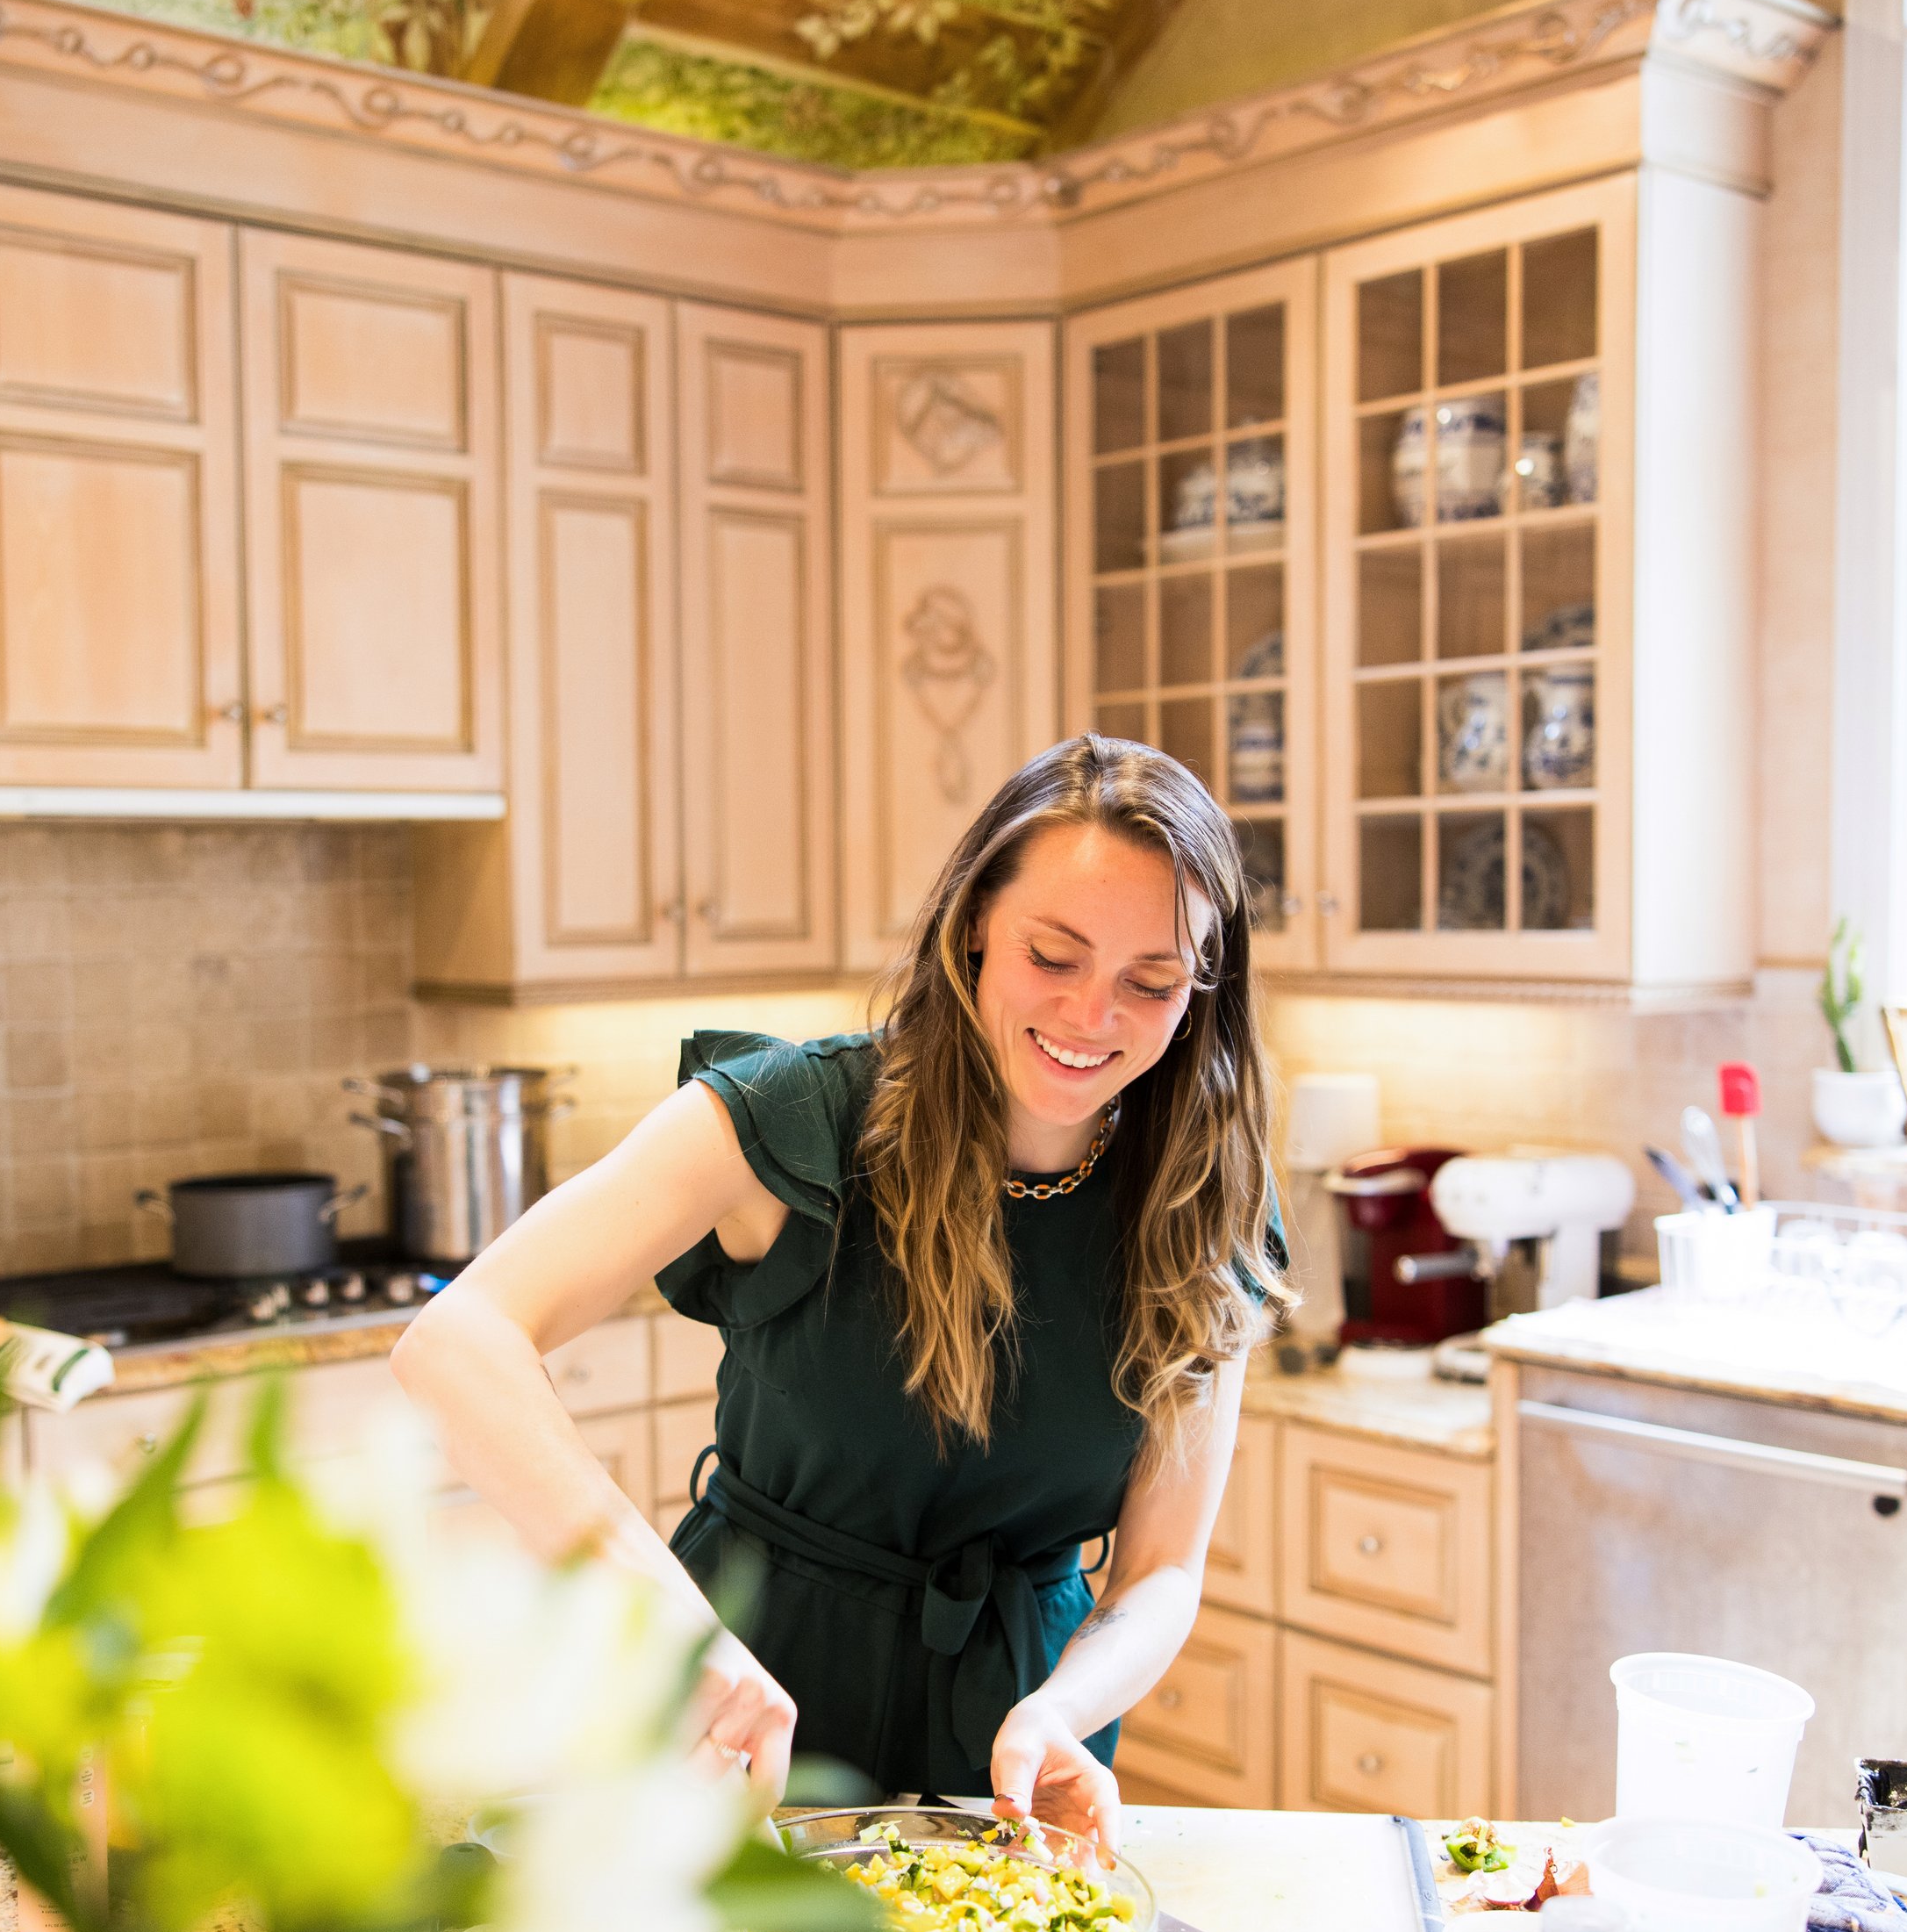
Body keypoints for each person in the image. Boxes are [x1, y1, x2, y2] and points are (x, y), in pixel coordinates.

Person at [391, 734, 1290, 1850]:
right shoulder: (795, 1116)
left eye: (1149, 982)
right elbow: (456, 1340)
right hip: (730, 1717)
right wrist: (681, 1634)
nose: (1091, 1015)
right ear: (973, 927)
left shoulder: (1207, 1208)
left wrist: (1066, 1705)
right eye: (1052, 956)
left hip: (1013, 1749)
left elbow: (1160, 1572)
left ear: (1200, 991)